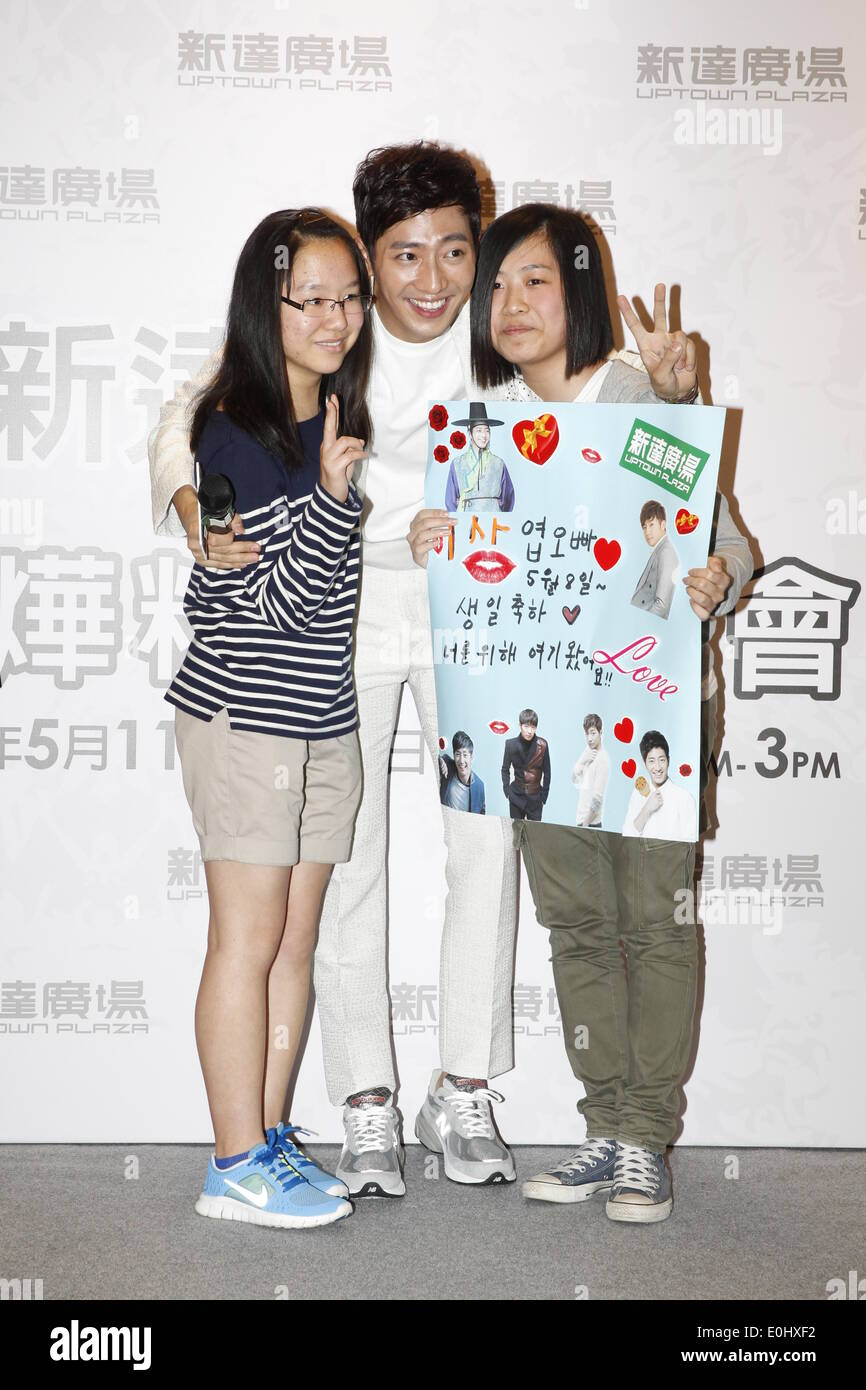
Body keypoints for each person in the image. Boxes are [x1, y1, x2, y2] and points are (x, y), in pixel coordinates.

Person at [468, 201, 753, 1222]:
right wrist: (436, 535)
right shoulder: (489, 426)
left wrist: (714, 571)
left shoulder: (634, 393)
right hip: (535, 715)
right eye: (495, 284)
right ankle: (602, 1126)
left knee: (651, 921)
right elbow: (485, 579)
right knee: (577, 926)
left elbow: (728, 545)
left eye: (534, 280)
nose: (511, 302)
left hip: (651, 715)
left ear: (578, 292)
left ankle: (643, 1134)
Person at [165, 208, 373, 1228]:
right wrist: (334, 501)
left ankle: (272, 1134)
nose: (336, 318)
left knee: (293, 944)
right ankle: (232, 1158)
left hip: (319, 719)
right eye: (314, 299)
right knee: (245, 941)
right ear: (268, 304)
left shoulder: (326, 413)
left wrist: (334, 489)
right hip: (246, 719)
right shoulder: (229, 437)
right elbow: (277, 606)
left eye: (349, 298)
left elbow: (320, 610)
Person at [623, 731, 697, 840]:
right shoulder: (637, 795)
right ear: (645, 764)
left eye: (662, 760)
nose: (657, 767)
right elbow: (627, 836)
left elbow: (689, 846)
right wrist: (646, 809)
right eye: (651, 761)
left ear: (668, 761)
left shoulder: (685, 798)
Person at [444, 402, 514, 512]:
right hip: (466, 519)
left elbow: (508, 498)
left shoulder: (498, 463)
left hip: (494, 520)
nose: (484, 435)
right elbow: (450, 500)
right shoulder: (457, 464)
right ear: (470, 434)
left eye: (487, 431)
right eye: (479, 430)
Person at [630, 500, 680, 620]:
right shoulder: (659, 548)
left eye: (651, 525)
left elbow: (662, 606)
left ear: (663, 524)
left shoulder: (666, 552)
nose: (647, 532)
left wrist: (642, 624)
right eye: (644, 527)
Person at [501, 709, 551, 820]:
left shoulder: (542, 745)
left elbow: (547, 772)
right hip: (516, 796)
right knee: (517, 834)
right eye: (526, 726)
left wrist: (543, 797)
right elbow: (505, 769)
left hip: (535, 798)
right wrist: (507, 791)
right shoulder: (510, 745)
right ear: (520, 725)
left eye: (533, 727)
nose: (529, 731)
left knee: (534, 835)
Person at [572, 713, 609, 828]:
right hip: (582, 821)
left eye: (593, 733)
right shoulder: (588, 752)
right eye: (587, 734)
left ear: (600, 733)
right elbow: (574, 780)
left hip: (591, 824)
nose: (589, 738)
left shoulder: (602, 760)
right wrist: (583, 760)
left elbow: (597, 800)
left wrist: (585, 825)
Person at [439, 730, 486, 812]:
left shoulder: (479, 786)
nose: (461, 761)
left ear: (471, 757)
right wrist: (440, 760)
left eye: (465, 755)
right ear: (453, 755)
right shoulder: (448, 767)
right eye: (457, 754)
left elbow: (481, 813)